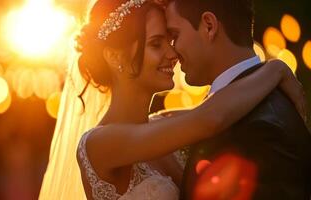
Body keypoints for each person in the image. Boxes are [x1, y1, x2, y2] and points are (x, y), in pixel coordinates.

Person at [39, 0, 306, 199]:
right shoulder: (98, 143)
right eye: (157, 44)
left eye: (171, 38)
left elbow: (218, 107)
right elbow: (211, 118)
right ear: (115, 56)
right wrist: (276, 69)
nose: (173, 52)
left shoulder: (171, 122)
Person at [164, 0, 311, 199]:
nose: (172, 51)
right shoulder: (259, 104)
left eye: (175, 35)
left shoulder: (259, 131)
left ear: (209, 25)